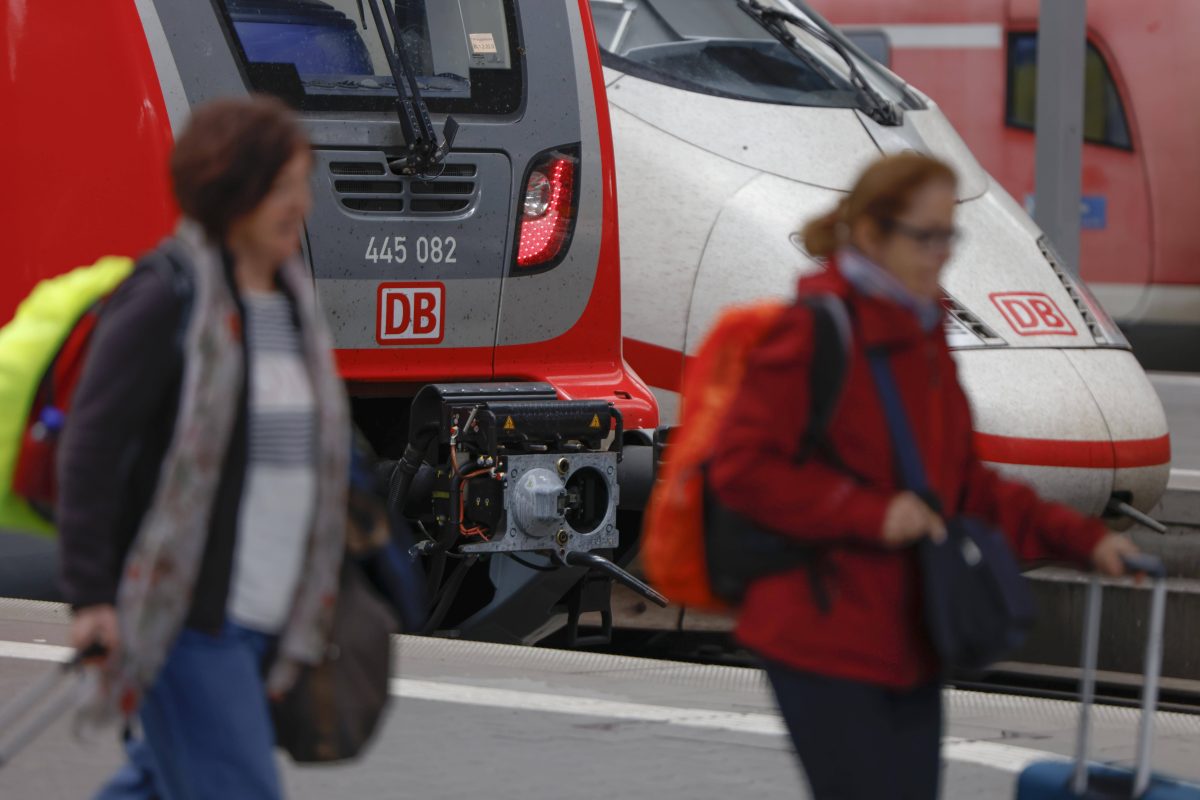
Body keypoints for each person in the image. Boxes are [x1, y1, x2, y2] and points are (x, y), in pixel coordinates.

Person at [707, 153, 1139, 800]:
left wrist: (1084, 540)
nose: (943, 254)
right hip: (820, 636)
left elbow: (966, 486)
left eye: (949, 235)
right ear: (874, 235)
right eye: (926, 236)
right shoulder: (814, 332)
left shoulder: (922, 335)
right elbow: (742, 471)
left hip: (910, 634)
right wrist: (869, 513)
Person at [57, 95, 351, 799]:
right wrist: (91, 595)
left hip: (271, 610)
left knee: (163, 782)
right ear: (234, 193)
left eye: (302, 186)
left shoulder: (289, 301)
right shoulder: (168, 296)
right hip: (190, 613)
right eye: (283, 190)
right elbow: (91, 446)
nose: (301, 206)